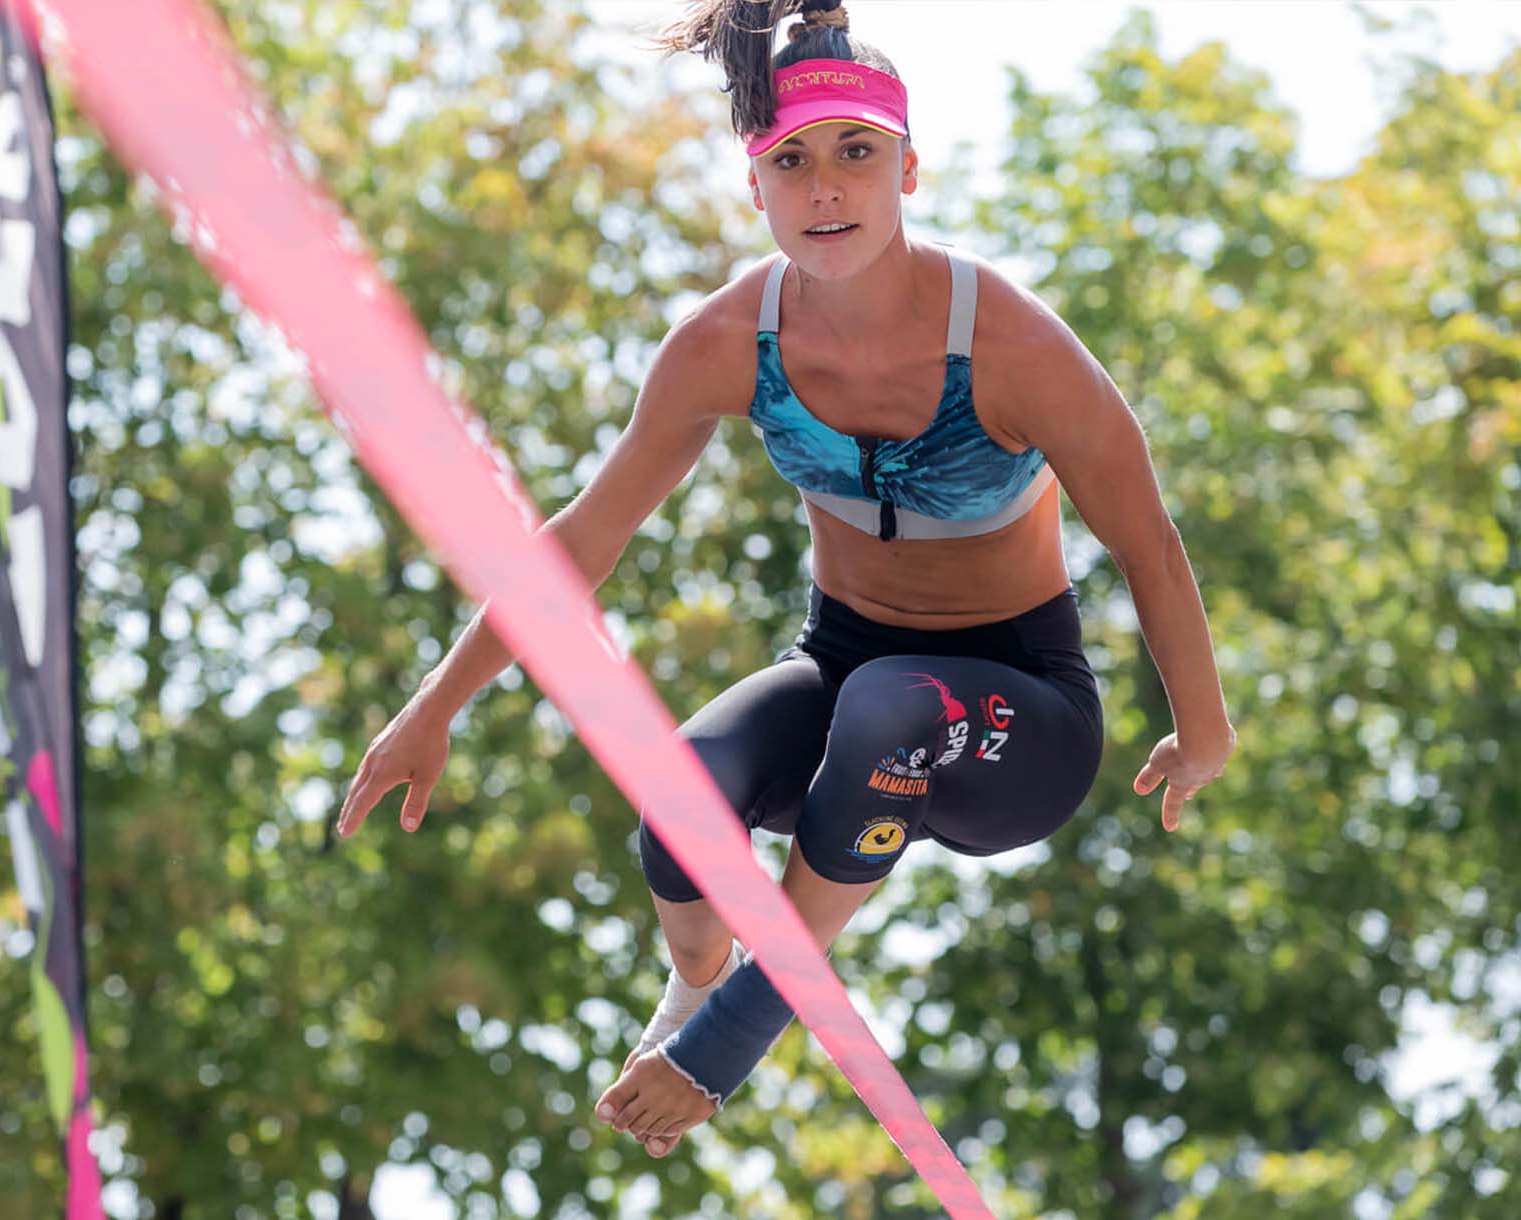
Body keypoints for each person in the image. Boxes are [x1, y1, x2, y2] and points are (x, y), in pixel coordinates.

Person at [338, 0, 1234, 1160]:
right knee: (682, 794)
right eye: (792, 162)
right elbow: (584, 537)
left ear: (909, 166)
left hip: (1020, 717)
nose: (826, 189)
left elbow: (1147, 540)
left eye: (856, 152)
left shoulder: (1009, 345)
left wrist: (1203, 729)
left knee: (893, 706)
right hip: (843, 663)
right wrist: (435, 704)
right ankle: (694, 981)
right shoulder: (726, 344)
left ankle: (729, 1034)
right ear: (753, 186)